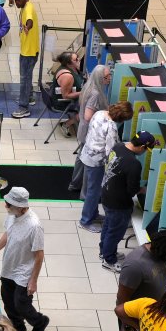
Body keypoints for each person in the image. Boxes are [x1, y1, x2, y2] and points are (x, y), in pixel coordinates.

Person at [0, 187, 50, 331]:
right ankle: (18, 326)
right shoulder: (12, 215)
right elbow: (8, 234)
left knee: (21, 304)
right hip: (9, 266)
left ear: (20, 207)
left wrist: (33, 280)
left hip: (24, 271)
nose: (5, 206)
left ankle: (40, 322)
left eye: (8, 204)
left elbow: (39, 255)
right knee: (7, 300)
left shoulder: (34, 226)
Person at [100, 131, 156, 272]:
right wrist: (143, 190)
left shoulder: (118, 147)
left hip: (106, 195)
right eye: (145, 150)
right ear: (142, 146)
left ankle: (104, 251)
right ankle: (109, 260)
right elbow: (132, 190)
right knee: (115, 232)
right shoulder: (133, 164)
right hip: (119, 203)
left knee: (108, 226)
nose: (144, 153)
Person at [78, 102, 134, 233]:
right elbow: (111, 150)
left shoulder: (99, 113)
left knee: (91, 188)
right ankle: (85, 221)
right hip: (97, 162)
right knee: (94, 191)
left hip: (87, 155)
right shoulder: (112, 126)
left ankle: (93, 214)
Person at [69, 65, 111, 194]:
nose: (109, 78)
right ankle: (81, 189)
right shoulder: (96, 94)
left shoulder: (88, 87)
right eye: (107, 77)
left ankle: (75, 184)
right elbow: (88, 116)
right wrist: (106, 115)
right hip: (89, 132)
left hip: (83, 129)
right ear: (99, 78)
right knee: (87, 161)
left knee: (81, 157)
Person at [11, 0, 39, 119]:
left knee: (24, 79)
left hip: (29, 52)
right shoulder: (26, 6)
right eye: (15, 0)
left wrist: (27, 26)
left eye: (18, 0)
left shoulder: (28, 9)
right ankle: (30, 97)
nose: (17, 3)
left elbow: (30, 22)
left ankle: (23, 108)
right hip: (27, 49)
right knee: (27, 76)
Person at [52, 51, 84, 135]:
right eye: (76, 59)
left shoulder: (74, 68)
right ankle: (66, 124)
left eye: (78, 57)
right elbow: (66, 96)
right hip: (63, 102)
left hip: (75, 96)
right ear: (69, 63)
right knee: (90, 110)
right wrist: (83, 93)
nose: (78, 60)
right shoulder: (67, 76)